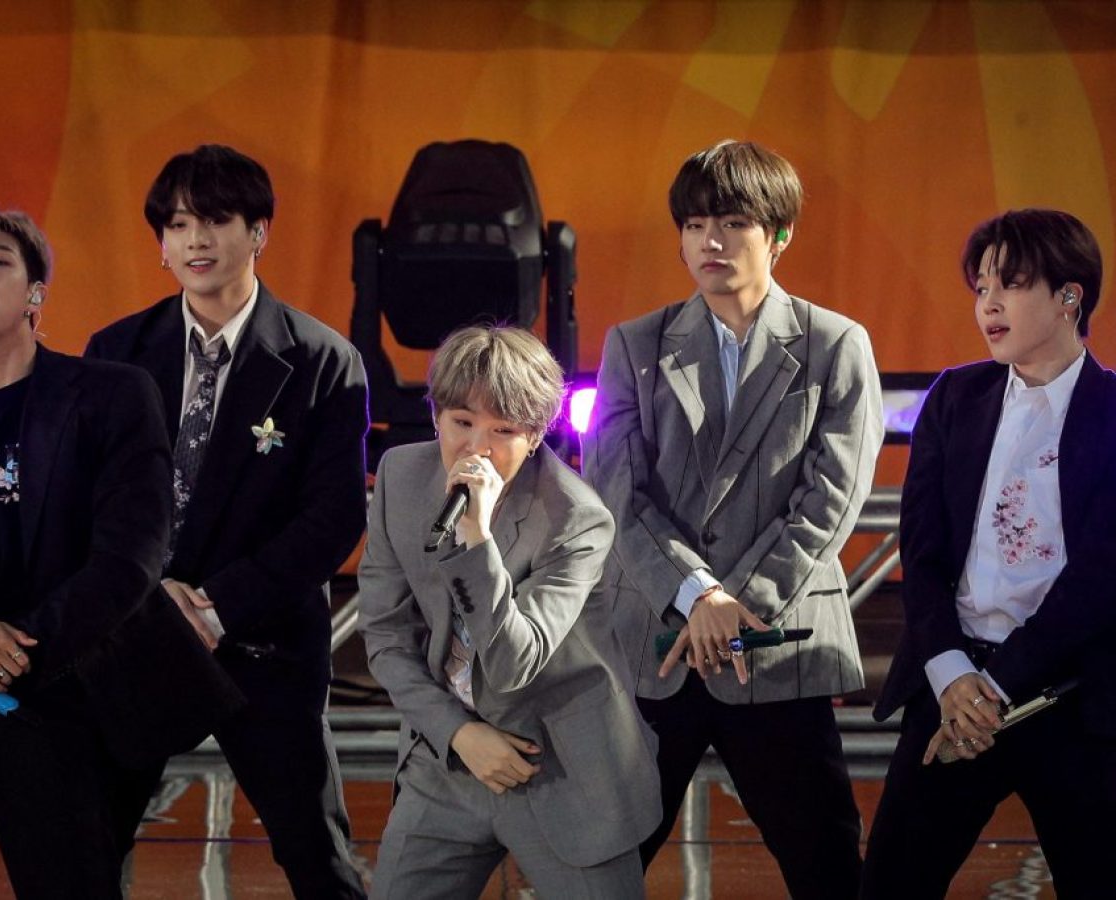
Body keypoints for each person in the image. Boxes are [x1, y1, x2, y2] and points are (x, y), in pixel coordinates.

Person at [583, 140, 883, 897]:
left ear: (780, 235)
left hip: (779, 650)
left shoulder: (834, 344)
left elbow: (832, 499)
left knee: (825, 865)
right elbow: (616, 492)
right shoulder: (636, 344)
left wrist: (734, 607)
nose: (709, 242)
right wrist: (698, 596)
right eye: (694, 225)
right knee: (600, 864)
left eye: (731, 223)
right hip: (657, 646)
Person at [0, 201, 238, 897]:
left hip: (68, 690)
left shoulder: (112, 394)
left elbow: (129, 560)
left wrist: (4, 662)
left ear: (36, 293)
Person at [85, 144, 369, 898]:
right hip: (136, 632)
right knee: (85, 847)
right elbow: (92, 502)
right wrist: (153, 600)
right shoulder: (116, 353)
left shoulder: (323, 360)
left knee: (315, 854)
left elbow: (334, 517)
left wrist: (216, 606)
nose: (195, 241)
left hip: (262, 639)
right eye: (178, 225)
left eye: (214, 220)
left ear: (258, 231)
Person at [862, 209, 1116, 898]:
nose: (989, 305)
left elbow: (1100, 580)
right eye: (981, 288)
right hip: (954, 686)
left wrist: (1000, 686)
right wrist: (951, 674)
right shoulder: (956, 395)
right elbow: (921, 548)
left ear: (1069, 297)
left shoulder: (1110, 410)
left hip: (1071, 697)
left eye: (1012, 284)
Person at [357, 325, 660, 899]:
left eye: (503, 431)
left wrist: (476, 538)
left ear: (537, 434)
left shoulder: (576, 518)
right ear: (436, 416)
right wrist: (457, 733)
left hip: (563, 763)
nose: (477, 448)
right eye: (461, 422)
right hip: (448, 760)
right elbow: (385, 635)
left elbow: (512, 662)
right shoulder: (401, 477)